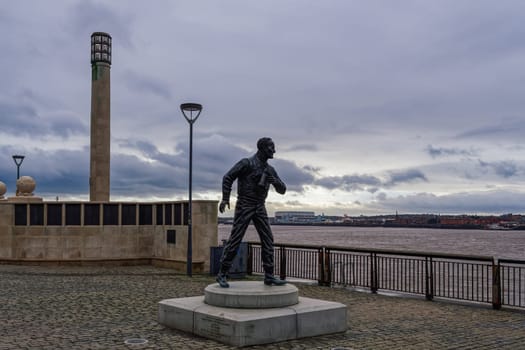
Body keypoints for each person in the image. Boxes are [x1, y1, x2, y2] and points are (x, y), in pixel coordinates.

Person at [216, 137, 287, 288]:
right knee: (235, 239)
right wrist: (225, 198)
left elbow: (283, 190)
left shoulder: (270, 170)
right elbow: (228, 177)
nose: (274, 151)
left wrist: (274, 181)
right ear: (262, 148)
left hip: (260, 206)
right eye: (271, 147)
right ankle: (222, 273)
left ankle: (269, 275)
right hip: (245, 205)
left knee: (268, 239)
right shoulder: (246, 163)